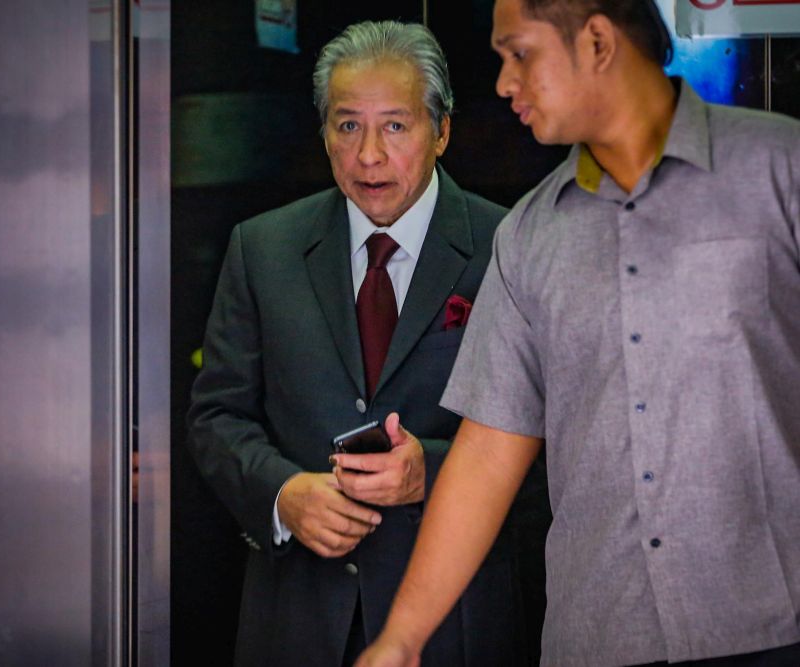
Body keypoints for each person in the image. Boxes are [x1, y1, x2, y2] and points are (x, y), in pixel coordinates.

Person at [357, 1, 800, 666]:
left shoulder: (777, 170)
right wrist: (401, 638)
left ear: (596, 42)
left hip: (773, 628)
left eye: (519, 54)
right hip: (599, 634)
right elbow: (486, 453)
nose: (504, 83)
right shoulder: (530, 236)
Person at [187, 19, 551, 667]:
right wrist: (282, 494)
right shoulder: (262, 248)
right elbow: (217, 416)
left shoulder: (511, 247)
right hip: (295, 618)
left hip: (456, 625)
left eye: (395, 125)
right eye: (348, 125)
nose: (369, 155)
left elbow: (565, 445)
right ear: (324, 133)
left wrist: (432, 473)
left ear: (441, 131)